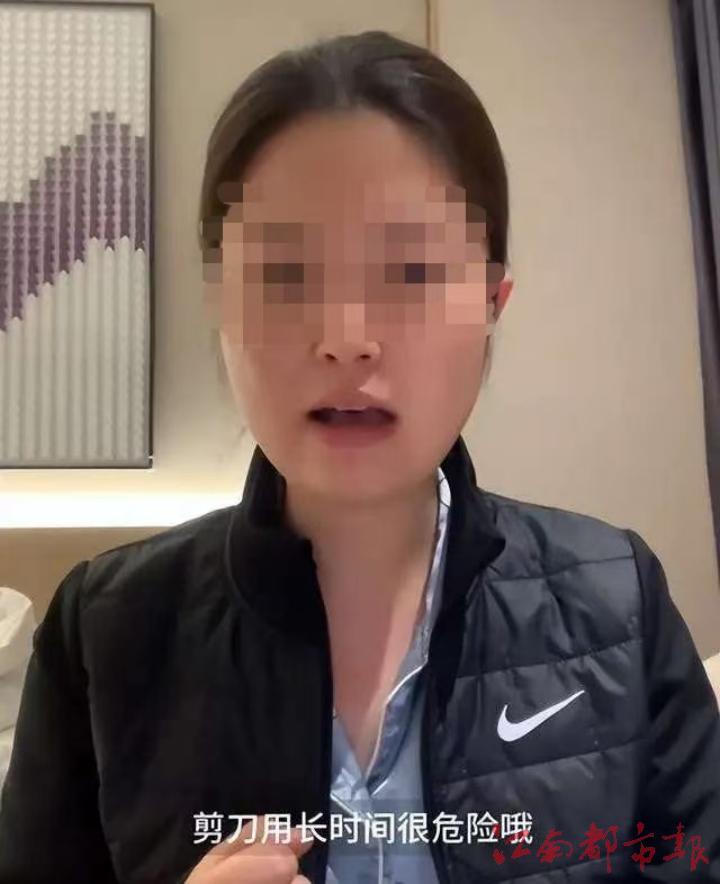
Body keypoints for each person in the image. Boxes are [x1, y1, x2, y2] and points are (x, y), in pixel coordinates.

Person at [0, 29, 719, 884]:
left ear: (493, 301)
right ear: (219, 304)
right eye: (286, 275)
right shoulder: (104, 632)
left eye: (410, 273)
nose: (346, 338)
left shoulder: (618, 605)